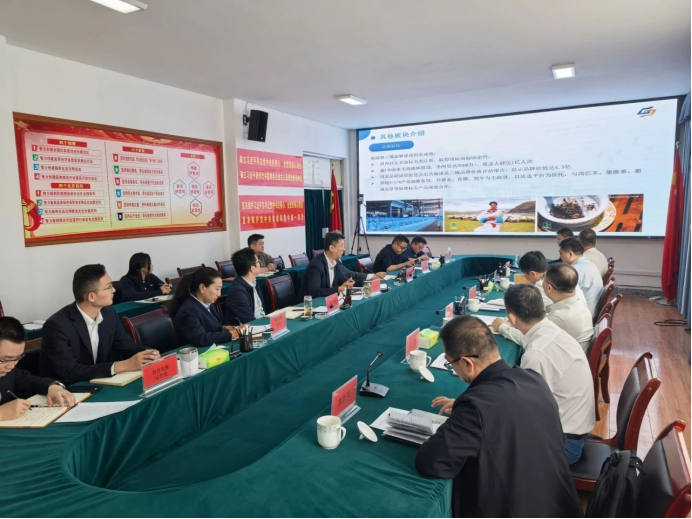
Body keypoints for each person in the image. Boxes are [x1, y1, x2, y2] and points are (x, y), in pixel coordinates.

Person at [415, 316, 583, 518]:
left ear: (467, 362)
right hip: (561, 506)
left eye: (452, 364)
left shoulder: (474, 407)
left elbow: (431, 463)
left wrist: (464, 411)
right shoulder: (534, 379)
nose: (455, 370)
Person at [502, 284, 595, 464]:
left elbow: (526, 411)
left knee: (492, 441)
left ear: (512, 319)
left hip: (565, 444)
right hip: (573, 430)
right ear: (543, 307)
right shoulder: (552, 330)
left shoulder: (537, 354)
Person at [40, 264, 159, 384]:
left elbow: (128, 348)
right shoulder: (57, 326)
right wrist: (123, 365)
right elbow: (70, 371)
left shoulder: (109, 315)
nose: (114, 290)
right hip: (68, 389)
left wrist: (149, 354)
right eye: (109, 287)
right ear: (91, 296)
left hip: (101, 382)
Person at [493, 263, 594, 353]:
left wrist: (502, 327)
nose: (541, 281)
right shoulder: (577, 304)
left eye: (543, 278)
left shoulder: (562, 317)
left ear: (549, 288)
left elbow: (528, 338)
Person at [0, 317, 76, 421]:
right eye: (5, 359)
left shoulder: (8, 371)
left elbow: (31, 381)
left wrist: (53, 387)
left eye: (17, 358)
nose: (12, 366)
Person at [169, 267, 244, 348]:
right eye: (217, 289)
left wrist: (222, 328)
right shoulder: (188, 310)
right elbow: (200, 338)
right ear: (202, 288)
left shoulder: (208, 302)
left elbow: (208, 327)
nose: (219, 294)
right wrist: (230, 334)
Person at [298, 232, 385, 299]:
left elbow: (346, 280)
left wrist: (367, 283)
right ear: (332, 248)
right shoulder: (316, 265)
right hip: (308, 306)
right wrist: (338, 289)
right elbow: (314, 291)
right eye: (342, 246)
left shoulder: (335, 262)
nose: (344, 249)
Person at [559, 237, 604, 318]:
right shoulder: (589, 264)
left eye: (561, 253)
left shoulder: (576, 270)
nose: (560, 257)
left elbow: (563, 296)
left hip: (584, 315)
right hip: (592, 311)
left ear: (570, 254)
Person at [224, 248, 265, 325]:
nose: (260, 264)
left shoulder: (253, 282)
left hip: (260, 322)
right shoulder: (237, 291)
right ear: (252, 268)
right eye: (258, 262)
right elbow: (248, 320)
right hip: (249, 328)